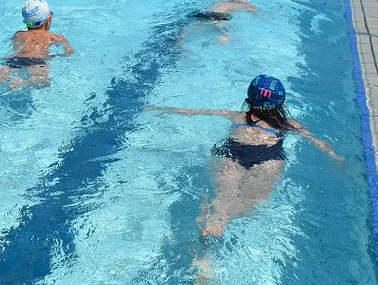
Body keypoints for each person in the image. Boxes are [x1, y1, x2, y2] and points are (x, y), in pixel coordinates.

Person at [146, 75, 342, 242]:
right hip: (268, 158)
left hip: (231, 154)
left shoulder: (236, 116)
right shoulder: (289, 124)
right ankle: (221, 222)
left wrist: (158, 109)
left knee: (221, 199)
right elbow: (319, 143)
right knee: (249, 205)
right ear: (281, 103)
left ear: (249, 99)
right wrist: (336, 158)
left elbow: (193, 112)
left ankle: (211, 233)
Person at [0, 0, 74, 89]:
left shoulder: (19, 34)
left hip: (16, 58)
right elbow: (69, 51)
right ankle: (22, 83)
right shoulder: (53, 36)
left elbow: (15, 47)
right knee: (43, 81)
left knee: (2, 70)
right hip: (37, 61)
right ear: (49, 18)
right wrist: (59, 55)